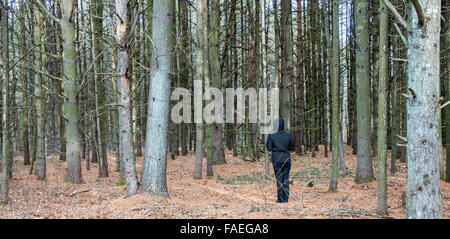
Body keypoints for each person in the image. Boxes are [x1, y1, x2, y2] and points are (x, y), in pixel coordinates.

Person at [266, 118, 294, 203]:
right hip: (286, 158)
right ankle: (285, 199)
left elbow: (269, 148)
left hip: (276, 158)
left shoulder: (271, 135)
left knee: (279, 178)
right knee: (285, 178)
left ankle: (280, 199)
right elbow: (291, 147)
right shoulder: (288, 135)